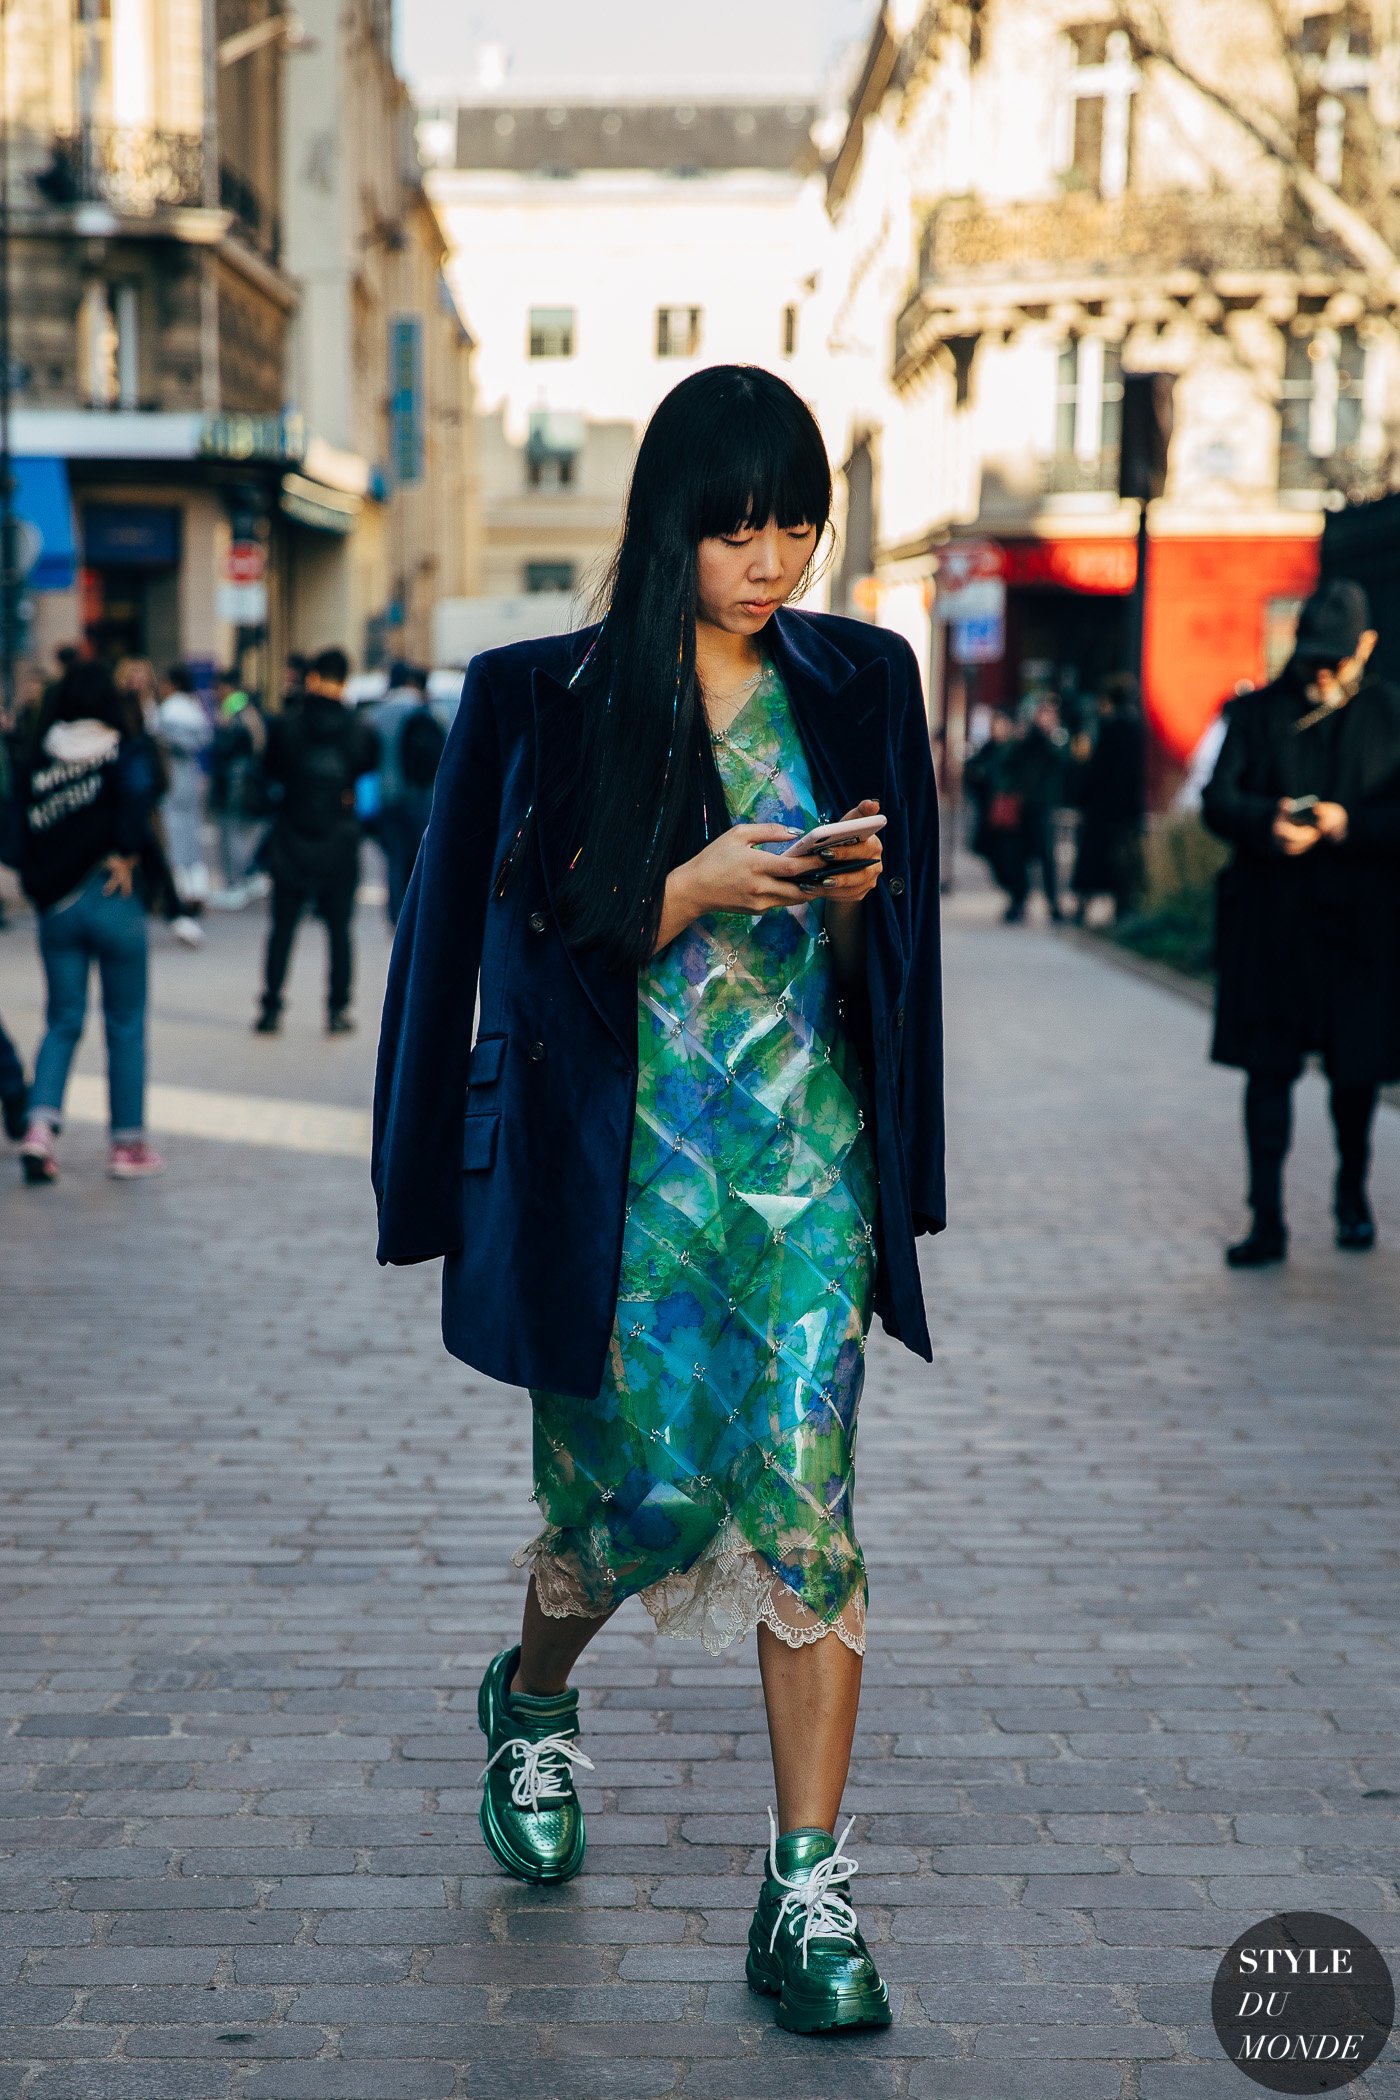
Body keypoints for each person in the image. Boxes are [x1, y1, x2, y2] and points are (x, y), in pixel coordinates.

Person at [373, 366, 945, 2036]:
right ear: (669, 522)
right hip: (618, 1182)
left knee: (803, 1513)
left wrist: (853, 900)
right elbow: (477, 952)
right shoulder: (542, 696)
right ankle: (534, 1699)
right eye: (734, 527)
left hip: (805, 1179)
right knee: (623, 1517)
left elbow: (878, 973)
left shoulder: (861, 678)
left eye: (795, 525)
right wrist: (680, 889)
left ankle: (808, 1893)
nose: (768, 560)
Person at [1202, 578, 1400, 1266]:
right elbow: (1217, 799)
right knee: (1268, 1072)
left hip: (1358, 930)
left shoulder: (1389, 717)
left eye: (1336, 657)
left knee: (1356, 1075)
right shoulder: (1258, 712)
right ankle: (1267, 1219)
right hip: (1273, 926)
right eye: (1314, 654)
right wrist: (1267, 822)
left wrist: (1352, 825)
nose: (1322, 668)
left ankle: (1352, 1197)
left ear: (1365, 648)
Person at [10, 659, 165, 1184]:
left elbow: (15, 830)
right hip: (112, 892)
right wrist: (126, 849)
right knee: (124, 1024)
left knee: (62, 1021)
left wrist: (37, 884)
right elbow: (142, 793)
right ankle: (127, 1146)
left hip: (57, 906)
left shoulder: (35, 758)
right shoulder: (123, 748)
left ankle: (39, 1129)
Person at [255, 646, 376, 1036]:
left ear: (314, 678)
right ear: (345, 680)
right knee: (340, 929)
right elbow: (368, 769)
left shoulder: (288, 724)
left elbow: (269, 770)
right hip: (340, 839)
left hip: (292, 835)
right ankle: (338, 1009)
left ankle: (271, 1007)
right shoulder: (360, 728)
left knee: (283, 927)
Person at [1072, 672, 1146, 924]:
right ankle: (1123, 908)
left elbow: (1096, 769)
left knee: (1094, 858)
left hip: (1102, 807)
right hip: (1124, 807)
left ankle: (1084, 907)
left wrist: (1083, 796)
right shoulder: (1135, 727)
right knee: (1122, 860)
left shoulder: (1107, 726)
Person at [375, 664, 445, 924]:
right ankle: (418, 913)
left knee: (394, 856)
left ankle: (396, 916)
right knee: (421, 857)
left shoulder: (377, 713)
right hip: (422, 795)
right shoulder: (428, 712)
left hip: (388, 795)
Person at [1001, 697, 1068, 922]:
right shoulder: (1028, 739)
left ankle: (1050, 904)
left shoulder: (1054, 740)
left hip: (1042, 807)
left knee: (1046, 857)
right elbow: (1009, 764)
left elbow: (1064, 764)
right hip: (1024, 806)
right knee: (1020, 856)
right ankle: (1019, 901)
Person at [154, 665, 212, 911]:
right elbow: (205, 738)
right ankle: (196, 888)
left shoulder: (168, 709)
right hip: (190, 773)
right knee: (191, 831)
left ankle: (177, 891)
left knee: (174, 831)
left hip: (172, 773)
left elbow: (160, 736)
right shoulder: (194, 707)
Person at [208, 671, 268, 908]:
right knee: (239, 834)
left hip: (234, 782)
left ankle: (238, 883)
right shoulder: (249, 709)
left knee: (230, 834)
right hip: (244, 781)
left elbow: (225, 748)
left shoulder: (233, 712)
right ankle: (247, 879)